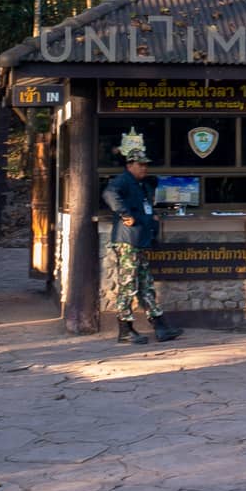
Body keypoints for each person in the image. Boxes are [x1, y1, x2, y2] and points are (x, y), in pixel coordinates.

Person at [102, 138, 183, 345]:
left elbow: (145, 208)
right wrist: (124, 214)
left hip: (141, 240)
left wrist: (152, 219)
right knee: (128, 285)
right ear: (130, 165)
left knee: (146, 284)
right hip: (128, 241)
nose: (144, 168)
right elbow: (109, 193)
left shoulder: (141, 185)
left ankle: (160, 326)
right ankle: (125, 329)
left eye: (146, 165)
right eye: (140, 165)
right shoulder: (123, 181)